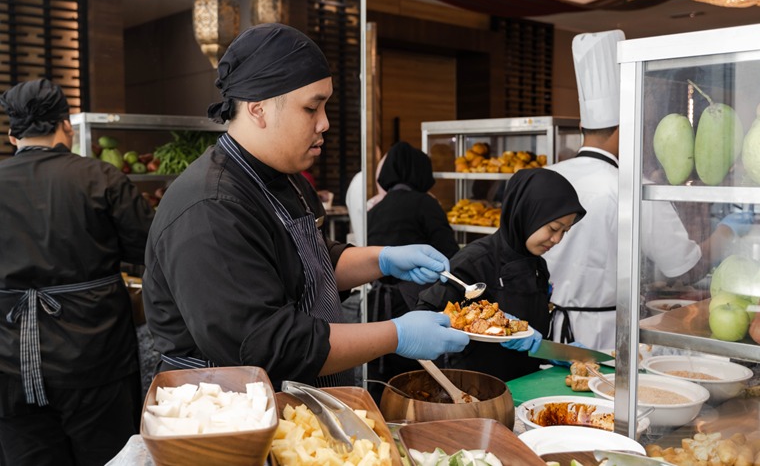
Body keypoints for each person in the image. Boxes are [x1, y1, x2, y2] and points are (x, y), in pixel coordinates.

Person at [142, 23, 469, 390]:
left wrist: (382, 259)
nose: (325, 123)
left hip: (302, 393)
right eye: (312, 108)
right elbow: (266, 345)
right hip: (228, 407)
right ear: (258, 109)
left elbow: (311, 263)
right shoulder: (210, 209)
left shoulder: (288, 178)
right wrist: (396, 335)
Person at [543, 30, 751, 350]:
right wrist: (728, 231)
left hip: (548, 334)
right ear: (625, 128)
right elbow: (685, 268)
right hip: (605, 341)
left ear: (582, 127)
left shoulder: (546, 177)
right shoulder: (632, 187)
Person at [0, 79, 155, 466]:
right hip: (94, 358)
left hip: (8, 362)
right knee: (110, 458)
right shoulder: (101, 177)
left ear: (12, 135)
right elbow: (150, 248)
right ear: (65, 125)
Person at [416, 168, 587, 381]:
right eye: (553, 228)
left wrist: (551, 351)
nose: (557, 240)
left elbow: (531, 333)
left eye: (564, 231)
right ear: (526, 214)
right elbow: (424, 314)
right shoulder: (474, 260)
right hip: (474, 386)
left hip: (524, 385)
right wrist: (492, 324)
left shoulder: (538, 267)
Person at [365, 141, 460, 392]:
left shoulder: (375, 208)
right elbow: (450, 253)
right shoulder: (425, 203)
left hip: (377, 306)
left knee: (384, 379)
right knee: (419, 380)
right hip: (414, 303)